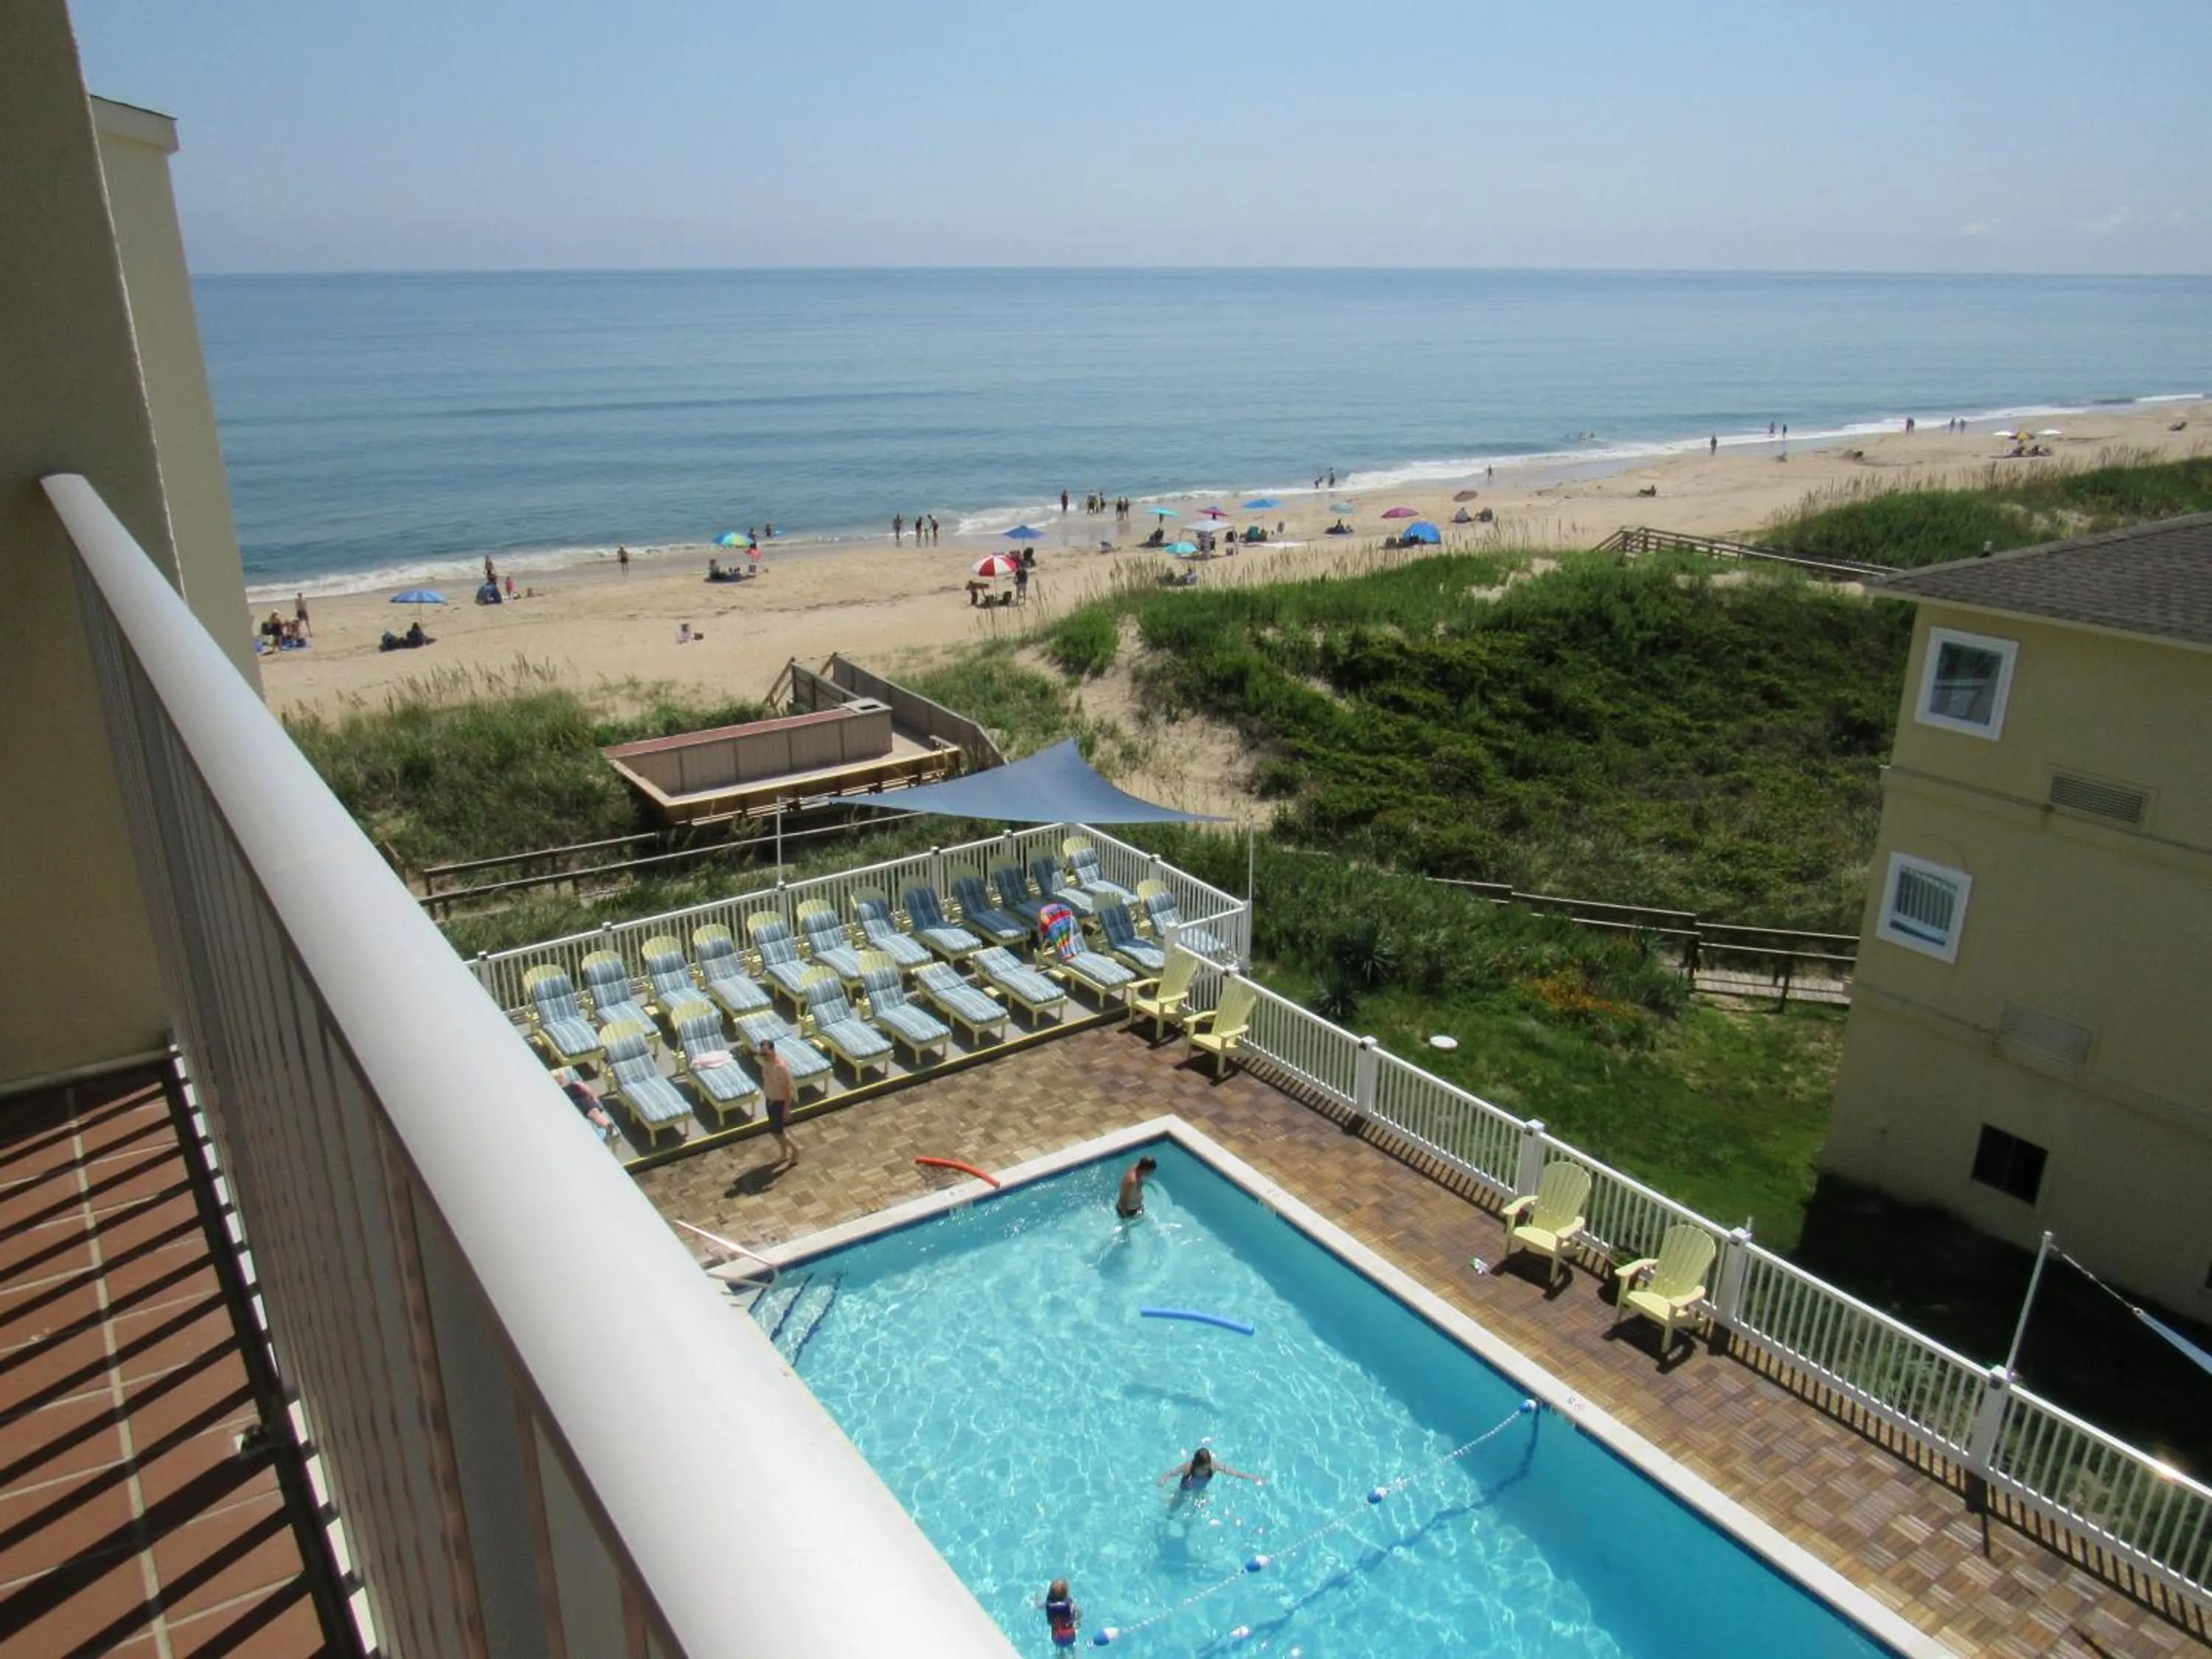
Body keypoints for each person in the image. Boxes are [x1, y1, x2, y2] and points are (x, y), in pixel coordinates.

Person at [1159, 1447, 1261, 1497]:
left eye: (1207, 1468)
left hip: (1201, 1488)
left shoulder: (1213, 1466)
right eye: (1203, 1469)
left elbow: (1233, 1472)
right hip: (1186, 1487)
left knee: (1197, 1507)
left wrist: (1252, 1478)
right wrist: (1163, 1480)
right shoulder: (1188, 1468)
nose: (1205, 1471)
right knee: (1176, 1504)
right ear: (1196, 1465)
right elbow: (1170, 1473)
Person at [759, 1039, 797, 1166]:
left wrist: (786, 1109)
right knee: (776, 1131)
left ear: (773, 1050)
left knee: (777, 1132)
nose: (763, 1056)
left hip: (779, 1103)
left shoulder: (780, 1067)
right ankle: (784, 1154)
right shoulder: (766, 1062)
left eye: (766, 1053)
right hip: (770, 1100)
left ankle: (795, 1150)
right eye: (762, 1054)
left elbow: (787, 1089)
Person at [554, 1067, 617, 1142]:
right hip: (580, 1105)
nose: (562, 1079)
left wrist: (595, 1100)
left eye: (562, 1077)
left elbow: (590, 1092)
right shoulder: (559, 1090)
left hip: (584, 1102)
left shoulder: (575, 1083)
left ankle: (608, 1126)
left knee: (593, 1114)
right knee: (594, 1116)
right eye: (560, 1078)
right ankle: (607, 1128)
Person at [1040, 1580, 1080, 1648]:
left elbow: (1040, 1606)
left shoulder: (1049, 1606)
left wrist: (1035, 1602)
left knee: (1059, 1649)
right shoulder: (1071, 1606)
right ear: (1066, 1595)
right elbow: (1078, 1614)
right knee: (1072, 1647)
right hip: (1070, 1635)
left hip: (1057, 1637)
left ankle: (1061, 1655)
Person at [1117, 1155, 1156, 1219]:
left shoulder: (1137, 1167)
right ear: (1145, 1170)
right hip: (1129, 1212)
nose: (1151, 1173)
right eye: (1151, 1171)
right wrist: (1126, 1218)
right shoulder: (1132, 1181)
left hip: (1137, 1207)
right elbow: (1123, 1201)